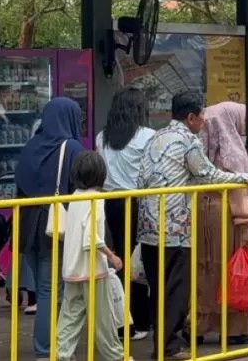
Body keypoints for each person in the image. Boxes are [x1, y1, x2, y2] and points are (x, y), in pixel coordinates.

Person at [137, 91, 248, 360]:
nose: (204, 120)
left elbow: (143, 178)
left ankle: (161, 346)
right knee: (177, 290)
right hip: (175, 227)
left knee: (158, 290)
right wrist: (245, 178)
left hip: (147, 227)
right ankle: (168, 349)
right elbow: (208, 173)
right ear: (191, 117)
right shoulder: (187, 140)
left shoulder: (154, 138)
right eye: (201, 115)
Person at [15, 97, 85, 360]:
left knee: (45, 285)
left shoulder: (32, 145)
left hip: (29, 227)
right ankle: (47, 349)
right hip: (56, 228)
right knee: (50, 289)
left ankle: (50, 344)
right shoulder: (72, 148)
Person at [54, 150, 127, 361]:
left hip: (71, 268)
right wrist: (112, 256)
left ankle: (62, 355)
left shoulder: (74, 197)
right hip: (93, 270)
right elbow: (91, 239)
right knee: (104, 321)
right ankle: (116, 356)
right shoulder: (97, 199)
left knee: (69, 316)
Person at [96, 87, 155, 341]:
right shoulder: (148, 136)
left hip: (112, 204)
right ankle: (142, 320)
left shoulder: (102, 137)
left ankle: (123, 321)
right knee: (141, 261)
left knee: (120, 257)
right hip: (139, 202)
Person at [195, 101, 248, 340]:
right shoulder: (235, 153)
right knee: (230, 268)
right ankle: (233, 329)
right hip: (229, 215)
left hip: (204, 210)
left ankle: (199, 324)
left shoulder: (202, 149)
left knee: (205, 267)